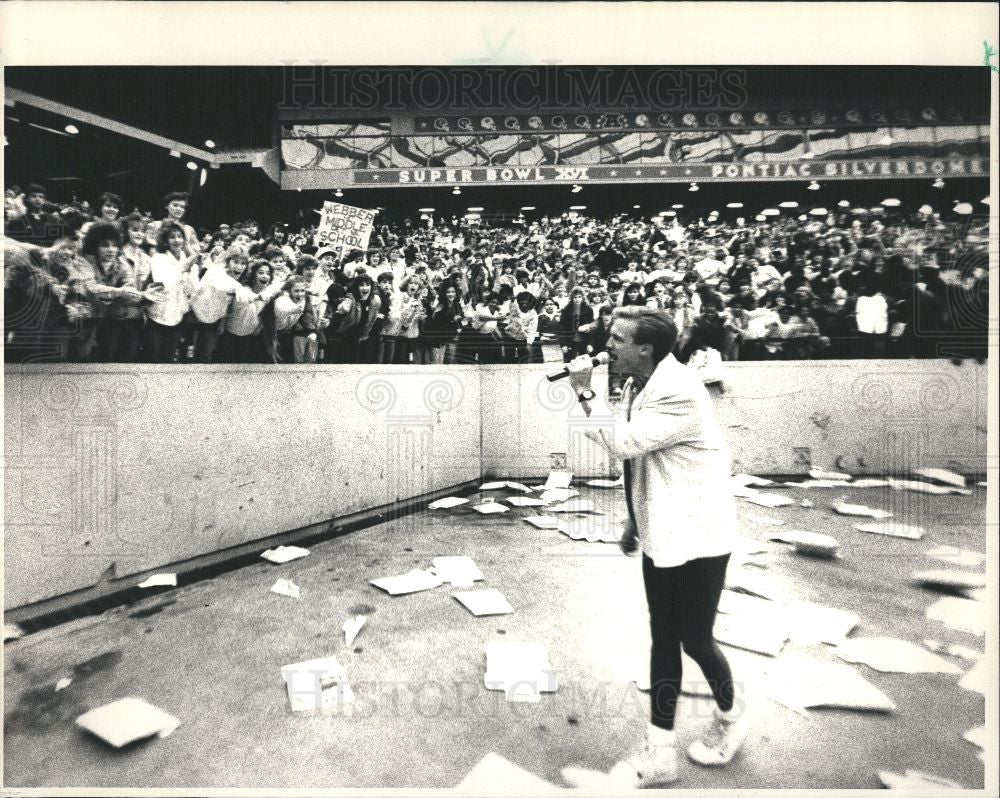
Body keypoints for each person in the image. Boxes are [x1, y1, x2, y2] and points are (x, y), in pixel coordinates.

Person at [564, 306, 747, 788]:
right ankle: (660, 751)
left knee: (695, 639)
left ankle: (731, 717)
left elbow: (623, 445)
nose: (608, 345)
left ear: (646, 348)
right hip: (664, 528)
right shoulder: (636, 384)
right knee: (664, 636)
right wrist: (635, 518)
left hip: (701, 534)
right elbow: (640, 463)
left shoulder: (680, 390)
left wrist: (584, 391)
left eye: (618, 338)